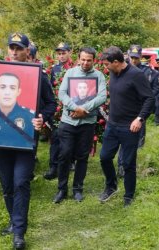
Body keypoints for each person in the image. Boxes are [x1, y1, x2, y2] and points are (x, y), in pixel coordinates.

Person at [0, 33, 56, 249]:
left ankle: (19, 232)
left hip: (25, 139)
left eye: (19, 48)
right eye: (11, 47)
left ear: (28, 51)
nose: (14, 52)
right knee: (7, 184)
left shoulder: (39, 75)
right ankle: (13, 220)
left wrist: (42, 118)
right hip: (1, 139)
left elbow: (51, 103)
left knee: (21, 182)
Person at [98, 46, 154, 207]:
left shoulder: (136, 75)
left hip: (130, 127)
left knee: (128, 163)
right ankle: (111, 186)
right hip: (113, 124)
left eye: (107, 64)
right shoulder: (113, 73)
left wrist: (140, 119)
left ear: (116, 62)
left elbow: (149, 99)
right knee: (104, 157)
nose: (105, 67)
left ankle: (128, 195)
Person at [52, 47, 107, 203]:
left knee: (82, 156)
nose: (85, 63)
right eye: (83, 59)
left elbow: (102, 96)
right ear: (78, 58)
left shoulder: (99, 76)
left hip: (87, 123)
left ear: (94, 60)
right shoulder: (70, 73)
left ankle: (78, 189)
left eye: (89, 60)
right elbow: (62, 94)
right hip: (68, 122)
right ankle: (62, 189)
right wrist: (76, 108)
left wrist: (85, 110)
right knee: (64, 155)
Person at [44, 42, 74, 180]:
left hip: (71, 107)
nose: (61, 56)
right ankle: (53, 167)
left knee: (69, 138)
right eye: (59, 53)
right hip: (57, 108)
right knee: (55, 137)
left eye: (64, 53)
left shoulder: (75, 68)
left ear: (70, 53)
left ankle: (69, 162)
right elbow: (51, 89)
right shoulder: (54, 69)